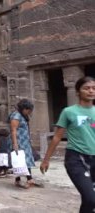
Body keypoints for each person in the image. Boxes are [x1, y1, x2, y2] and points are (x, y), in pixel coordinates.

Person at [41, 76, 95, 213]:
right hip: (76, 159)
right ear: (78, 92)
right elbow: (57, 137)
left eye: (94, 88)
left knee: (90, 200)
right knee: (90, 198)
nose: (91, 91)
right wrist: (46, 160)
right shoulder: (69, 112)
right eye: (86, 88)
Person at [9, 99, 40, 189]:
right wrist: (15, 144)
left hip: (24, 141)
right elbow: (13, 130)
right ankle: (25, 179)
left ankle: (23, 179)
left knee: (24, 161)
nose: (29, 112)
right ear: (23, 108)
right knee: (20, 161)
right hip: (18, 141)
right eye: (28, 110)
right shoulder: (15, 116)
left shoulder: (22, 116)